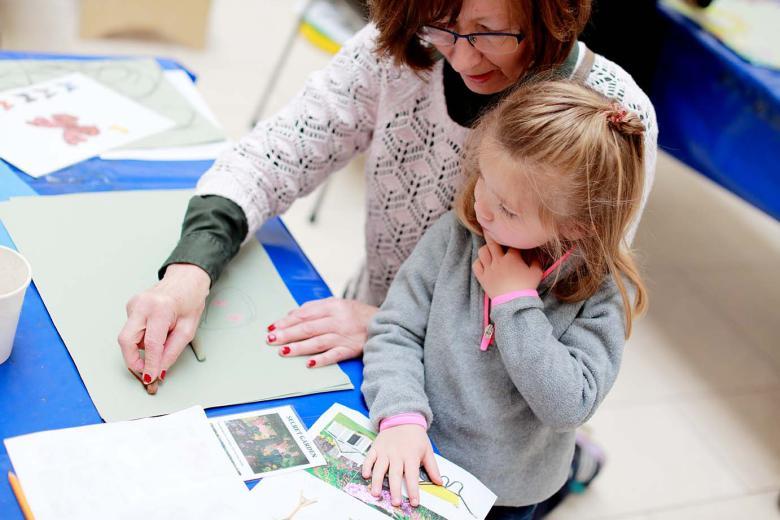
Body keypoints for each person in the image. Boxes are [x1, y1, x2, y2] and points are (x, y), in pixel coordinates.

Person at [117, 0, 656, 513]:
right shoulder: (395, 51)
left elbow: (573, 296)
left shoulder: (613, 119)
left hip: (500, 398)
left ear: (549, 13)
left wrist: (393, 327)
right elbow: (269, 158)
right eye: (440, 24)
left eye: (490, 30)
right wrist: (188, 271)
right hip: (388, 352)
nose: (463, 56)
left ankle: (571, 463)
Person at [360, 78, 648, 520]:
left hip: (506, 495)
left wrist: (515, 302)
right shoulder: (459, 233)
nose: (483, 210)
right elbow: (396, 329)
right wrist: (400, 416)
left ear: (577, 225)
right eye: (483, 182)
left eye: (509, 209)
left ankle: (580, 464)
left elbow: (568, 406)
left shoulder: (601, 293)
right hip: (415, 451)